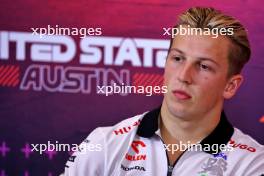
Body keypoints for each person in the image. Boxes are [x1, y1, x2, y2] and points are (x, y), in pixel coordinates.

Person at [62, 7, 264, 176]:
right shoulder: (104, 145)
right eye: (177, 58)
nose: (184, 76)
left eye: (203, 66)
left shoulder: (252, 165)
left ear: (231, 86)